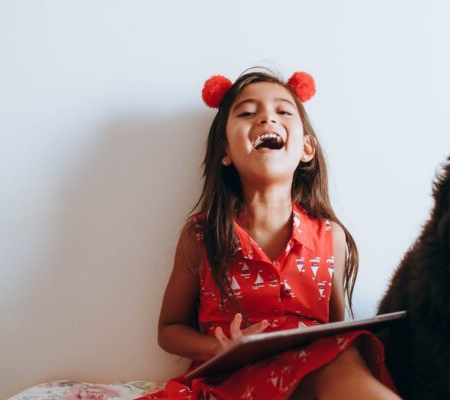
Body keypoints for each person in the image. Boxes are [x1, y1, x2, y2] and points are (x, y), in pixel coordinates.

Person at [137, 68, 400, 400]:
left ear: (306, 148)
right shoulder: (202, 236)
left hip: (312, 378)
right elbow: (169, 330)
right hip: (232, 381)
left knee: (343, 354)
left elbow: (336, 332)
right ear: (226, 152)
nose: (266, 120)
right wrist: (216, 348)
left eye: (283, 111)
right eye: (248, 112)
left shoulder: (330, 238)